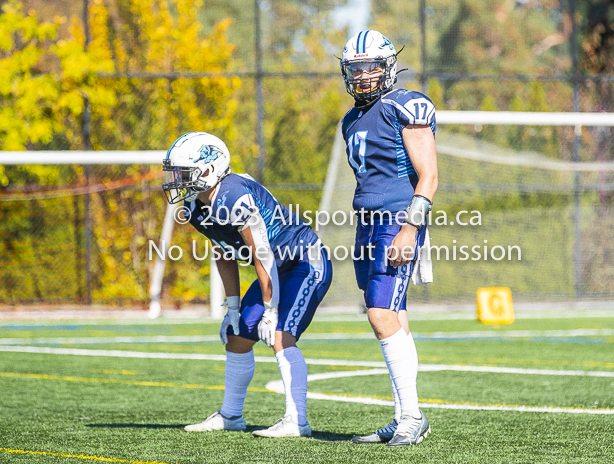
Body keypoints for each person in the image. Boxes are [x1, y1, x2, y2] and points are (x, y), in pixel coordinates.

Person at [162, 132, 332, 438]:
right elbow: (223, 252)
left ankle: (297, 420)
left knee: (280, 334)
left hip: (303, 260)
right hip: (275, 266)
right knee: (236, 334)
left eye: (184, 173)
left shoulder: (232, 195)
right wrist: (233, 306)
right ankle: (231, 415)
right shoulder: (198, 204)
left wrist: (270, 308)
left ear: (209, 168)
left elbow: (262, 253)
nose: (177, 181)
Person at [338, 30, 438, 447]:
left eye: (371, 66)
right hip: (367, 220)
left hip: (397, 218)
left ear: (388, 66)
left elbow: (429, 175)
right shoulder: (350, 120)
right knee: (393, 315)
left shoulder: (404, 105)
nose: (363, 76)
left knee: (380, 315)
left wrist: (411, 228)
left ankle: (412, 416)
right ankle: (404, 417)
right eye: (355, 68)